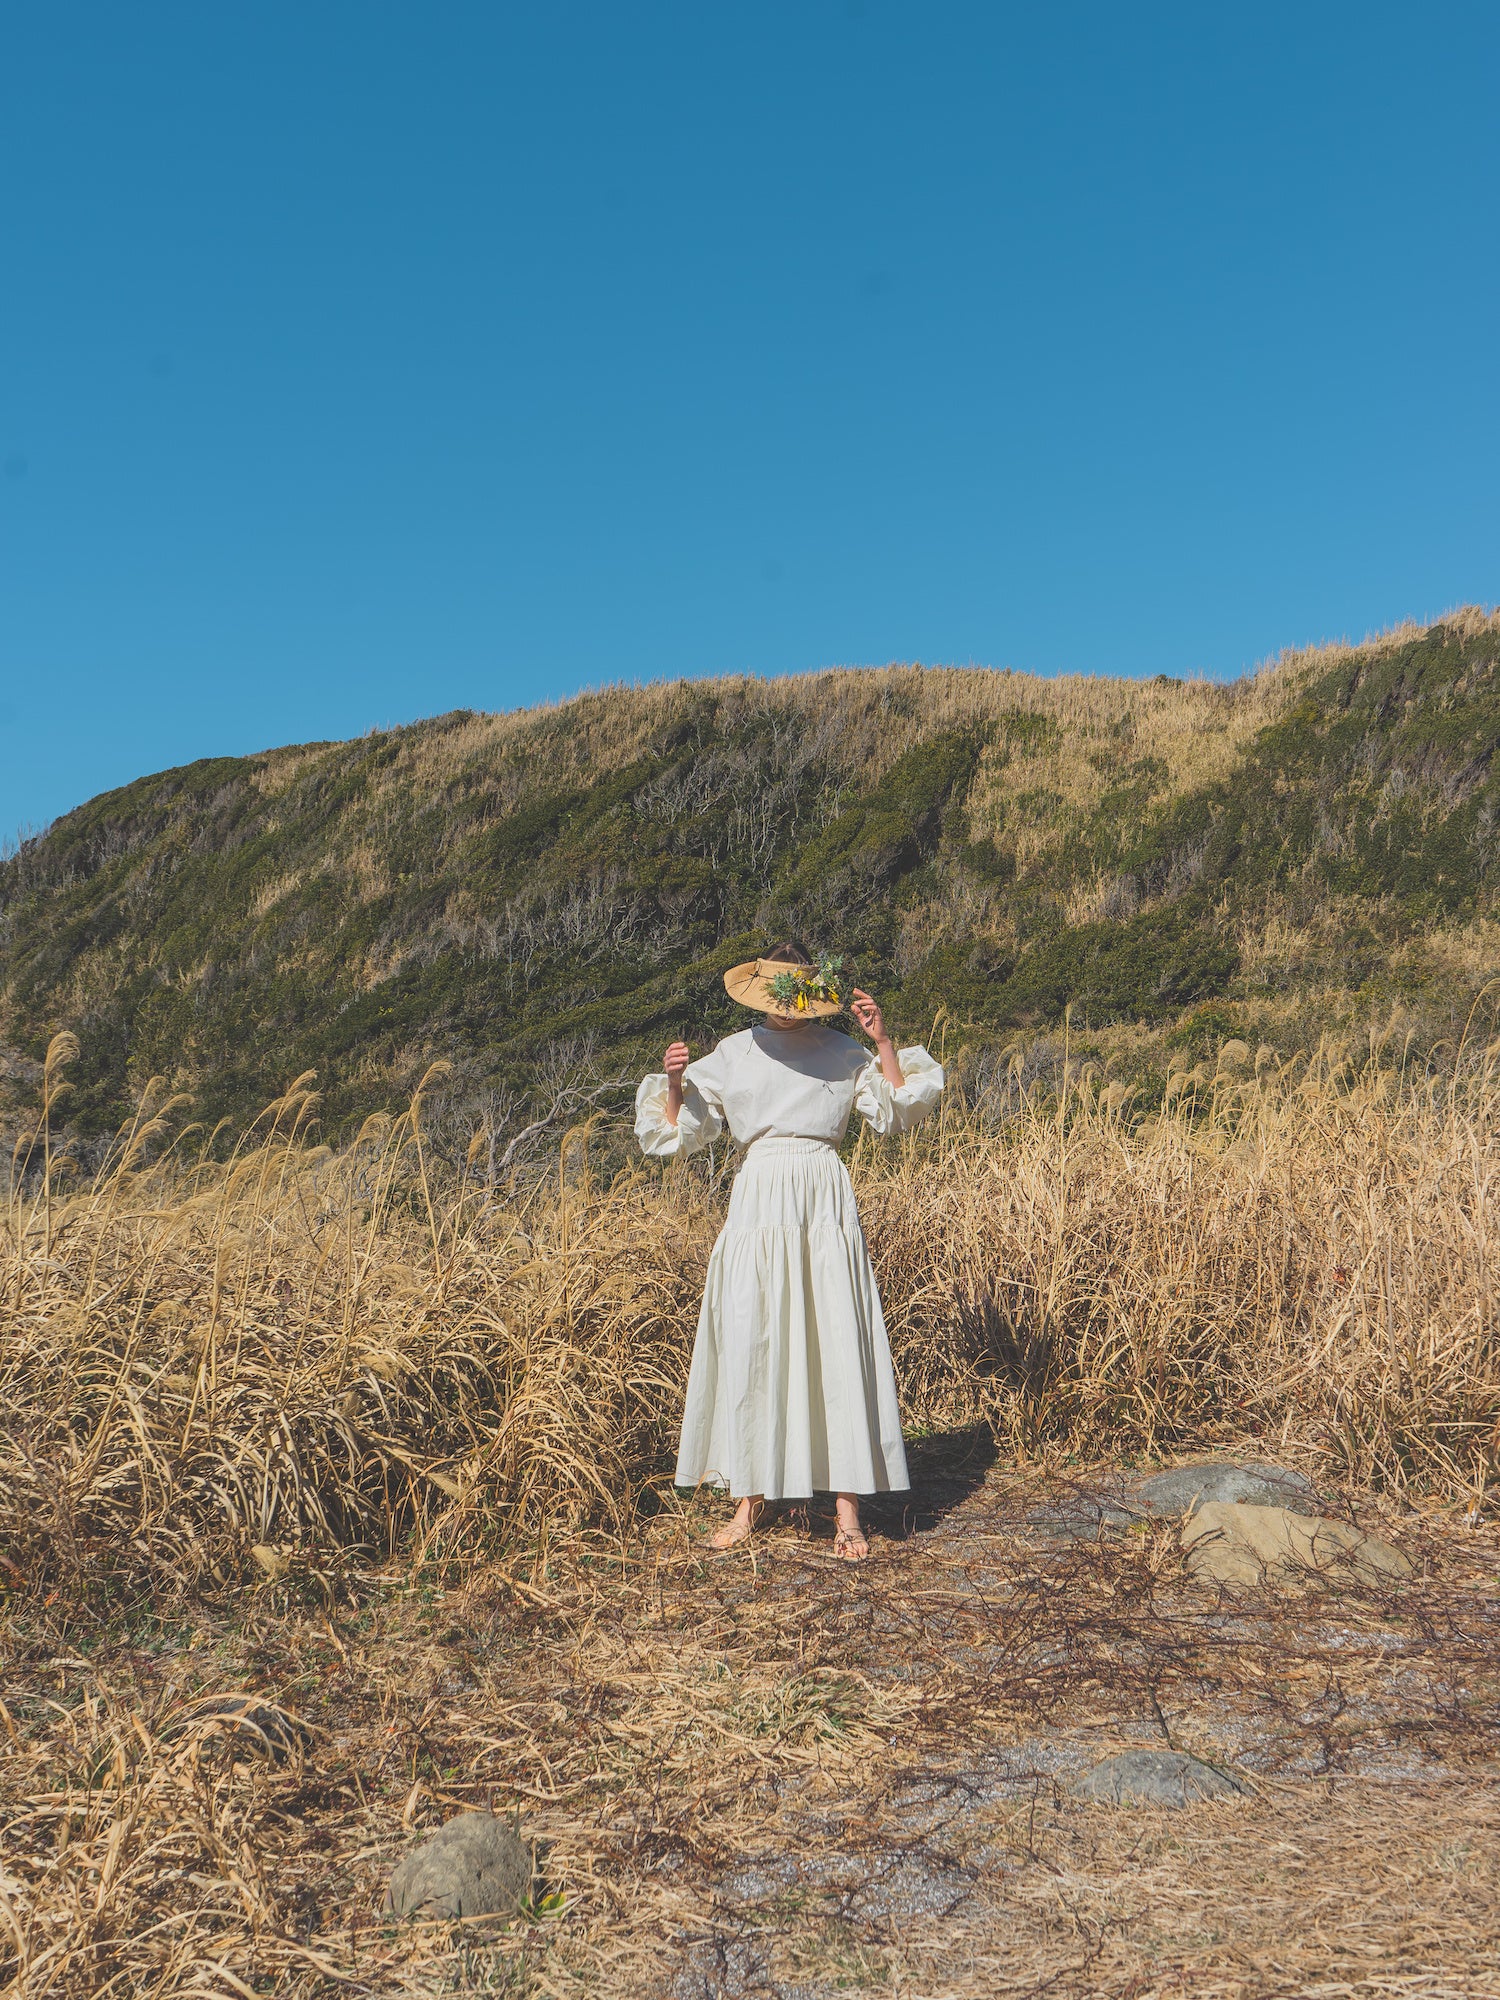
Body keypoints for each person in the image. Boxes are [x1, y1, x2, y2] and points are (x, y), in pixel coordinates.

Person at [634, 943, 943, 1560]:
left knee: (835, 1336)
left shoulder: (841, 1051)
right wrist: (673, 1083)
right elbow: (675, 1135)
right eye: (777, 997)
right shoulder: (734, 1051)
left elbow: (899, 1111)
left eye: (797, 997)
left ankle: (848, 1513)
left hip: (822, 1197)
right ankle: (750, 1500)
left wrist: (882, 1040)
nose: (787, 1010)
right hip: (760, 1197)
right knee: (755, 1335)